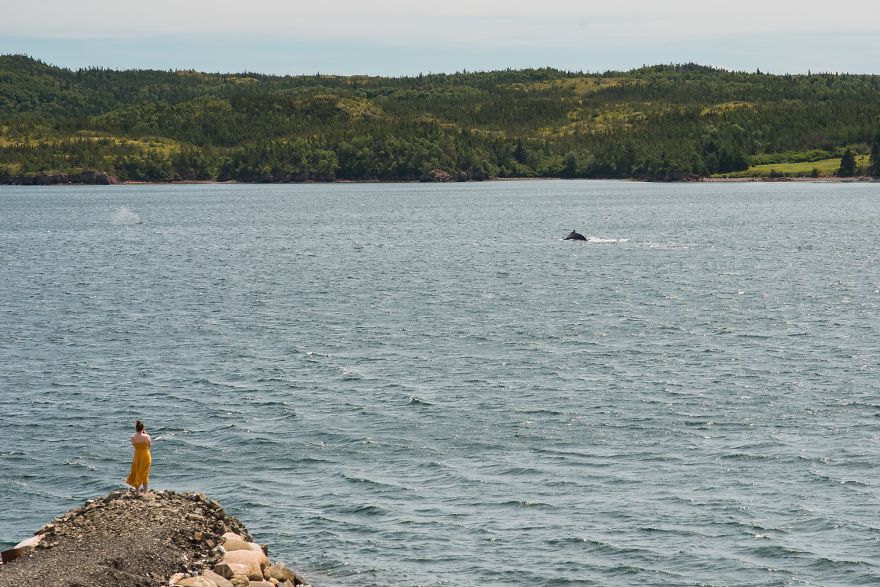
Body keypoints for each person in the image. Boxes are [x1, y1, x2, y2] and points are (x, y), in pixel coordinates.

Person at [125, 420, 152, 492]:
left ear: (136, 428)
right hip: (146, 455)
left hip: (137, 455)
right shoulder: (147, 436)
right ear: (143, 428)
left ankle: (137, 491)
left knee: (136, 471)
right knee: (145, 473)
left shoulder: (133, 437)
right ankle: (145, 492)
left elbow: (134, 445)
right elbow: (149, 446)